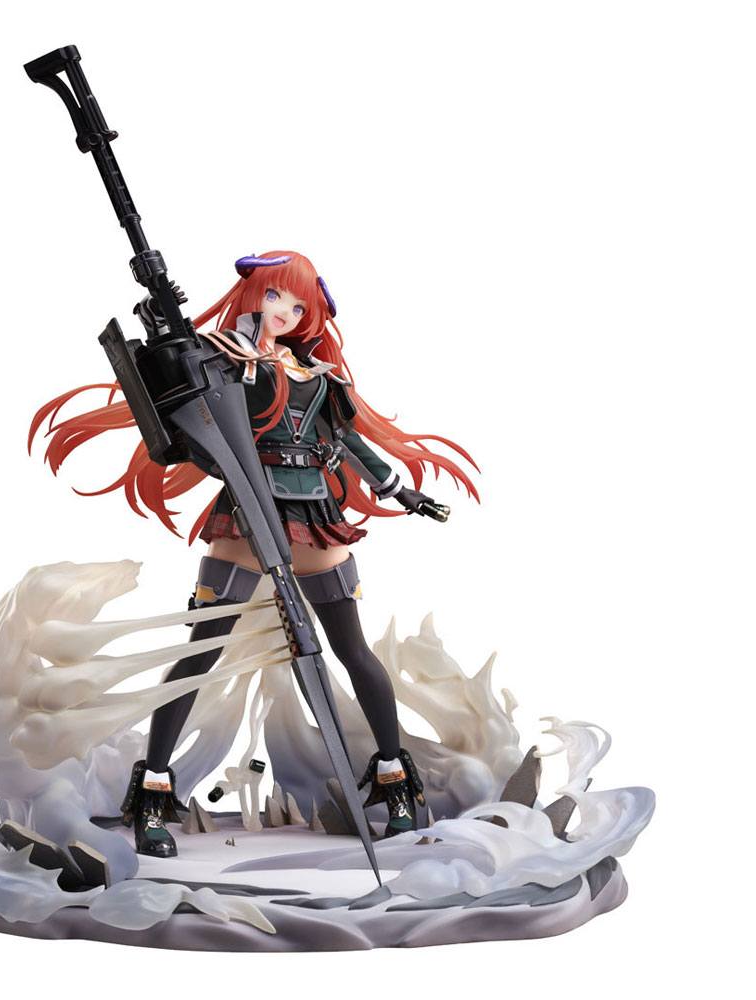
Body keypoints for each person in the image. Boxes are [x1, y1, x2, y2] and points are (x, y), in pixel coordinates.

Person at [29, 251, 479, 857]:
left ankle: (395, 778)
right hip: (246, 512)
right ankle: (154, 791)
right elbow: (182, 398)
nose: (284, 312)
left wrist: (400, 490)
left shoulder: (316, 375)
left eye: (297, 305)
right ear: (253, 295)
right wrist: (165, 334)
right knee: (201, 651)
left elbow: (345, 440)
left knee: (352, 650)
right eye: (274, 297)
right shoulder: (222, 359)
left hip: (314, 514)